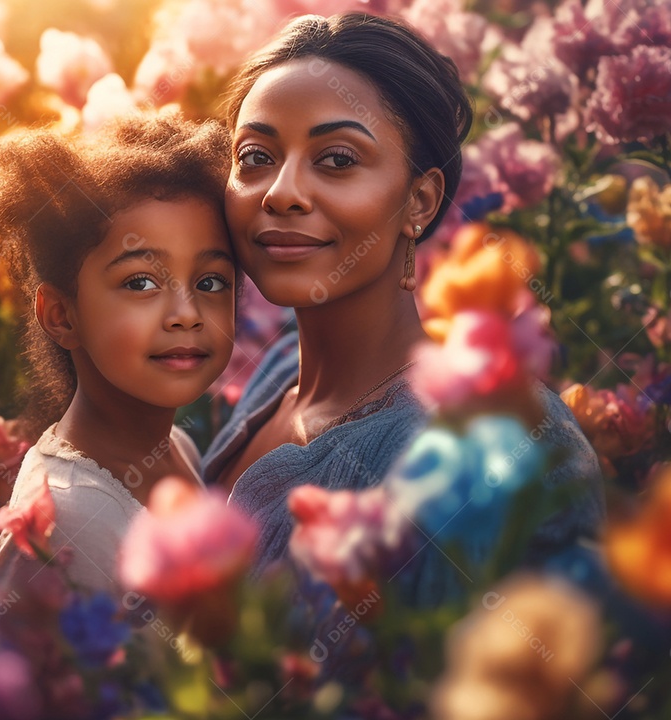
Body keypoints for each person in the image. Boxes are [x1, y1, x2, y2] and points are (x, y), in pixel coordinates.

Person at [203, 12, 605, 604]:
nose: (281, 192)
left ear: (420, 200)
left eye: (337, 159)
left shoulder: (499, 438)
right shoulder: (278, 374)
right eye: (256, 157)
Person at [0, 114, 236, 627]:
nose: (186, 313)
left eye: (210, 282)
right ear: (61, 315)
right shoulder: (64, 524)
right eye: (140, 283)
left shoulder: (177, 449)